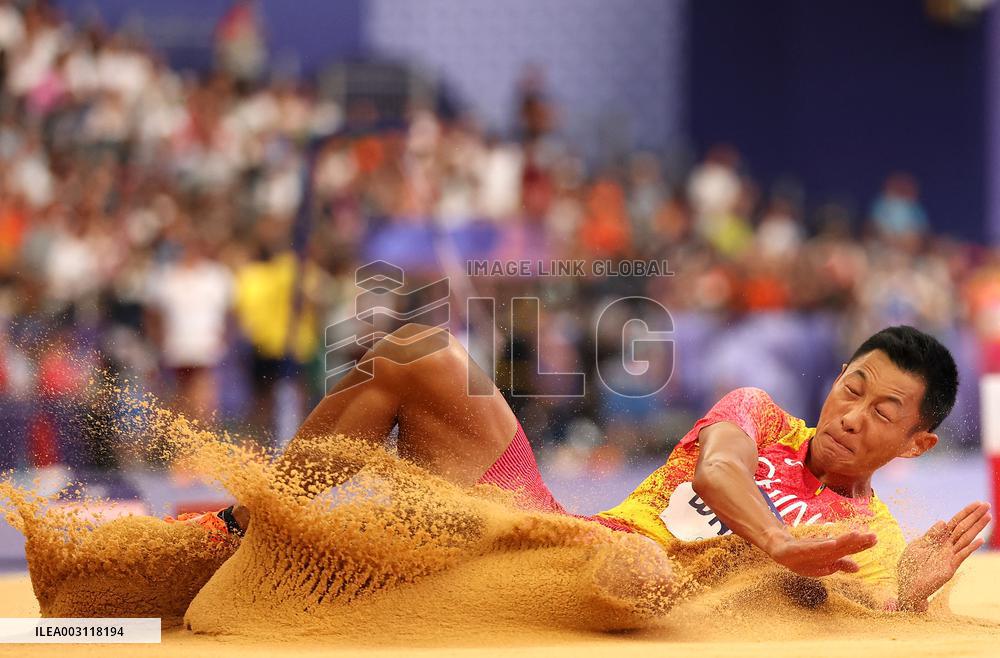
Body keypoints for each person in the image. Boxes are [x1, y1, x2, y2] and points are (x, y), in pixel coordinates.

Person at [205, 323, 988, 613]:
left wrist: (907, 602)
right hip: (550, 532)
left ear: (916, 444)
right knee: (419, 352)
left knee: (641, 570)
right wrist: (780, 543)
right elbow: (718, 472)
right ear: (837, 376)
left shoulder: (867, 535)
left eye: (884, 411)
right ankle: (250, 529)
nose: (853, 414)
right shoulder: (758, 413)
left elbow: (865, 611)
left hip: (629, 594)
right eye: (853, 387)